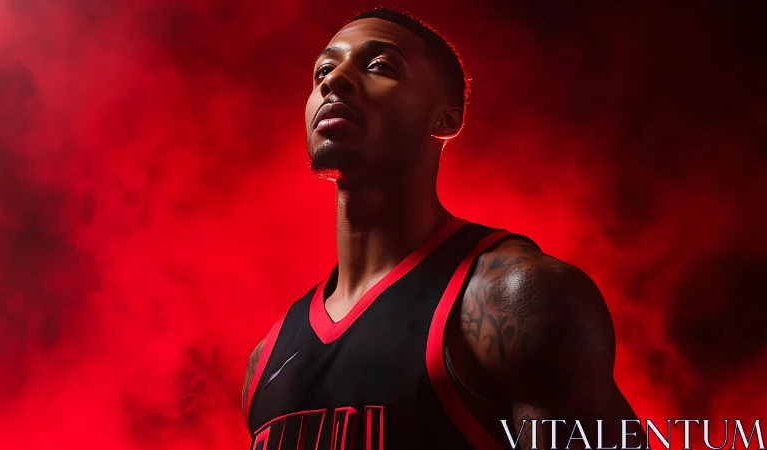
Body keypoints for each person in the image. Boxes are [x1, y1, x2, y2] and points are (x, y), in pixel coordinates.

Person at [241, 8, 643, 450]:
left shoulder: (515, 297)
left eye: (380, 66)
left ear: (446, 120)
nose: (332, 81)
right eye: (323, 68)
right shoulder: (267, 358)